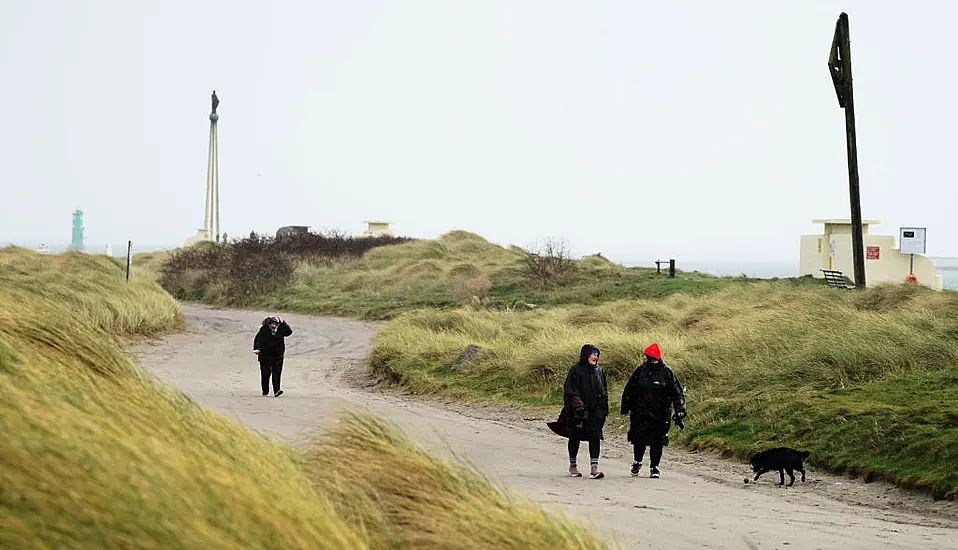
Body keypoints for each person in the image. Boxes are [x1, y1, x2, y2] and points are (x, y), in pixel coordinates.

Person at [619, 342, 686, 479]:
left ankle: (654, 467)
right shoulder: (640, 371)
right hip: (640, 412)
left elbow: (677, 393)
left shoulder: (667, 372)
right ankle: (637, 461)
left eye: (646, 356)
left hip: (661, 414)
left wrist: (680, 409)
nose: (644, 359)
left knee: (658, 440)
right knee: (639, 439)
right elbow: (630, 390)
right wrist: (625, 406)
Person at [547, 344, 609, 479]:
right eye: (592, 354)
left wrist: (604, 408)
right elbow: (570, 390)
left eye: (597, 354)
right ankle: (573, 465)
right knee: (575, 438)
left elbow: (604, 390)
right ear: (585, 355)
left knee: (595, 437)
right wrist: (578, 405)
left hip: (595, 412)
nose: (595, 356)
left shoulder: (599, 371)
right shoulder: (576, 370)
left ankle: (594, 469)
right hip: (578, 413)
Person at [253, 315, 293, 396]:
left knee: (277, 373)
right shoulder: (263, 330)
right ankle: (265, 390)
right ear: (268, 324)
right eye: (272, 323)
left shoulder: (281, 329)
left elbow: (289, 332)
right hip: (265, 355)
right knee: (265, 374)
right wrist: (256, 348)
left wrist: (284, 323)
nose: (274, 325)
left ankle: (277, 390)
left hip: (277, 355)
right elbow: (257, 339)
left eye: (275, 324)